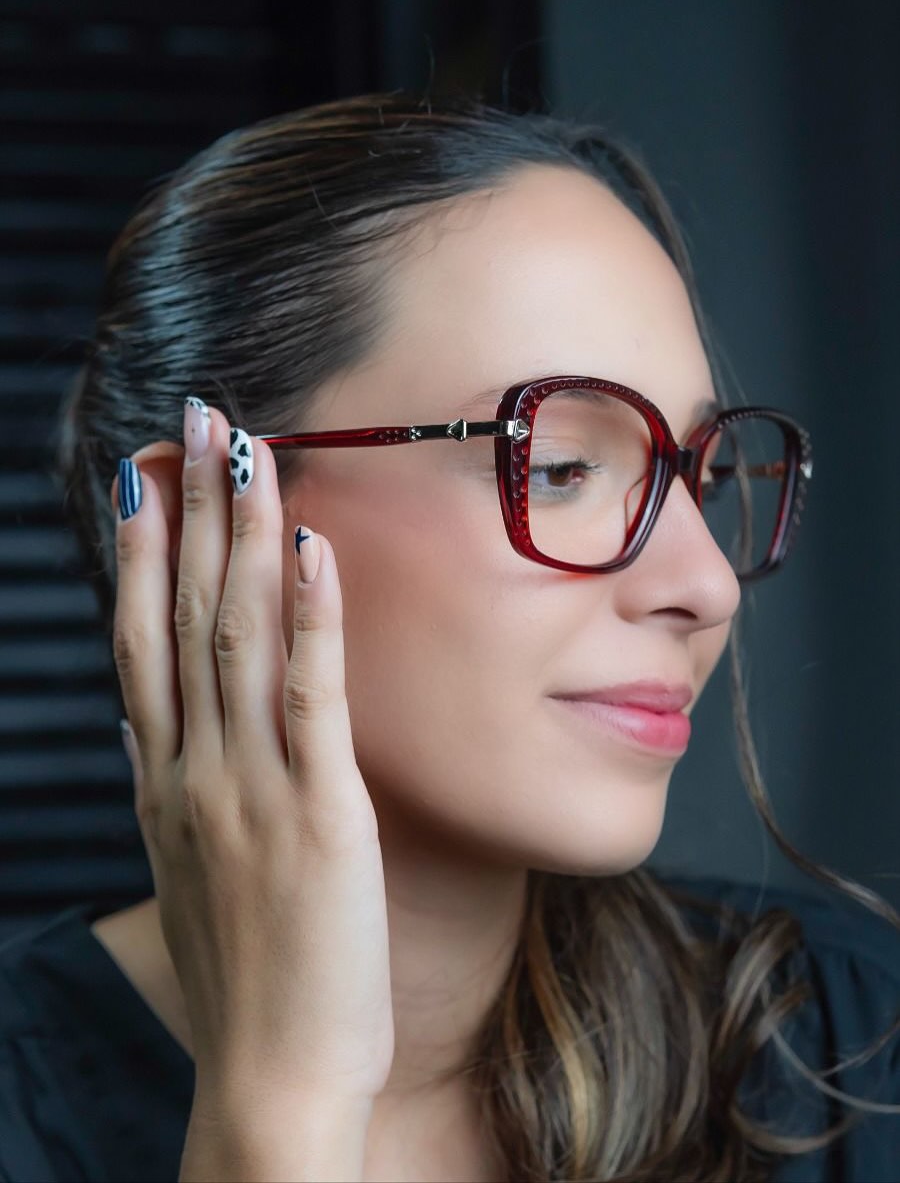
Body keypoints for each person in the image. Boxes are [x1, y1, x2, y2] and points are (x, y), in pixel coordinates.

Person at [0, 92, 897, 1183]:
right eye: (560, 469)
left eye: (696, 481)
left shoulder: (846, 1049)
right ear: (206, 518)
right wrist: (279, 1104)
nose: (706, 585)